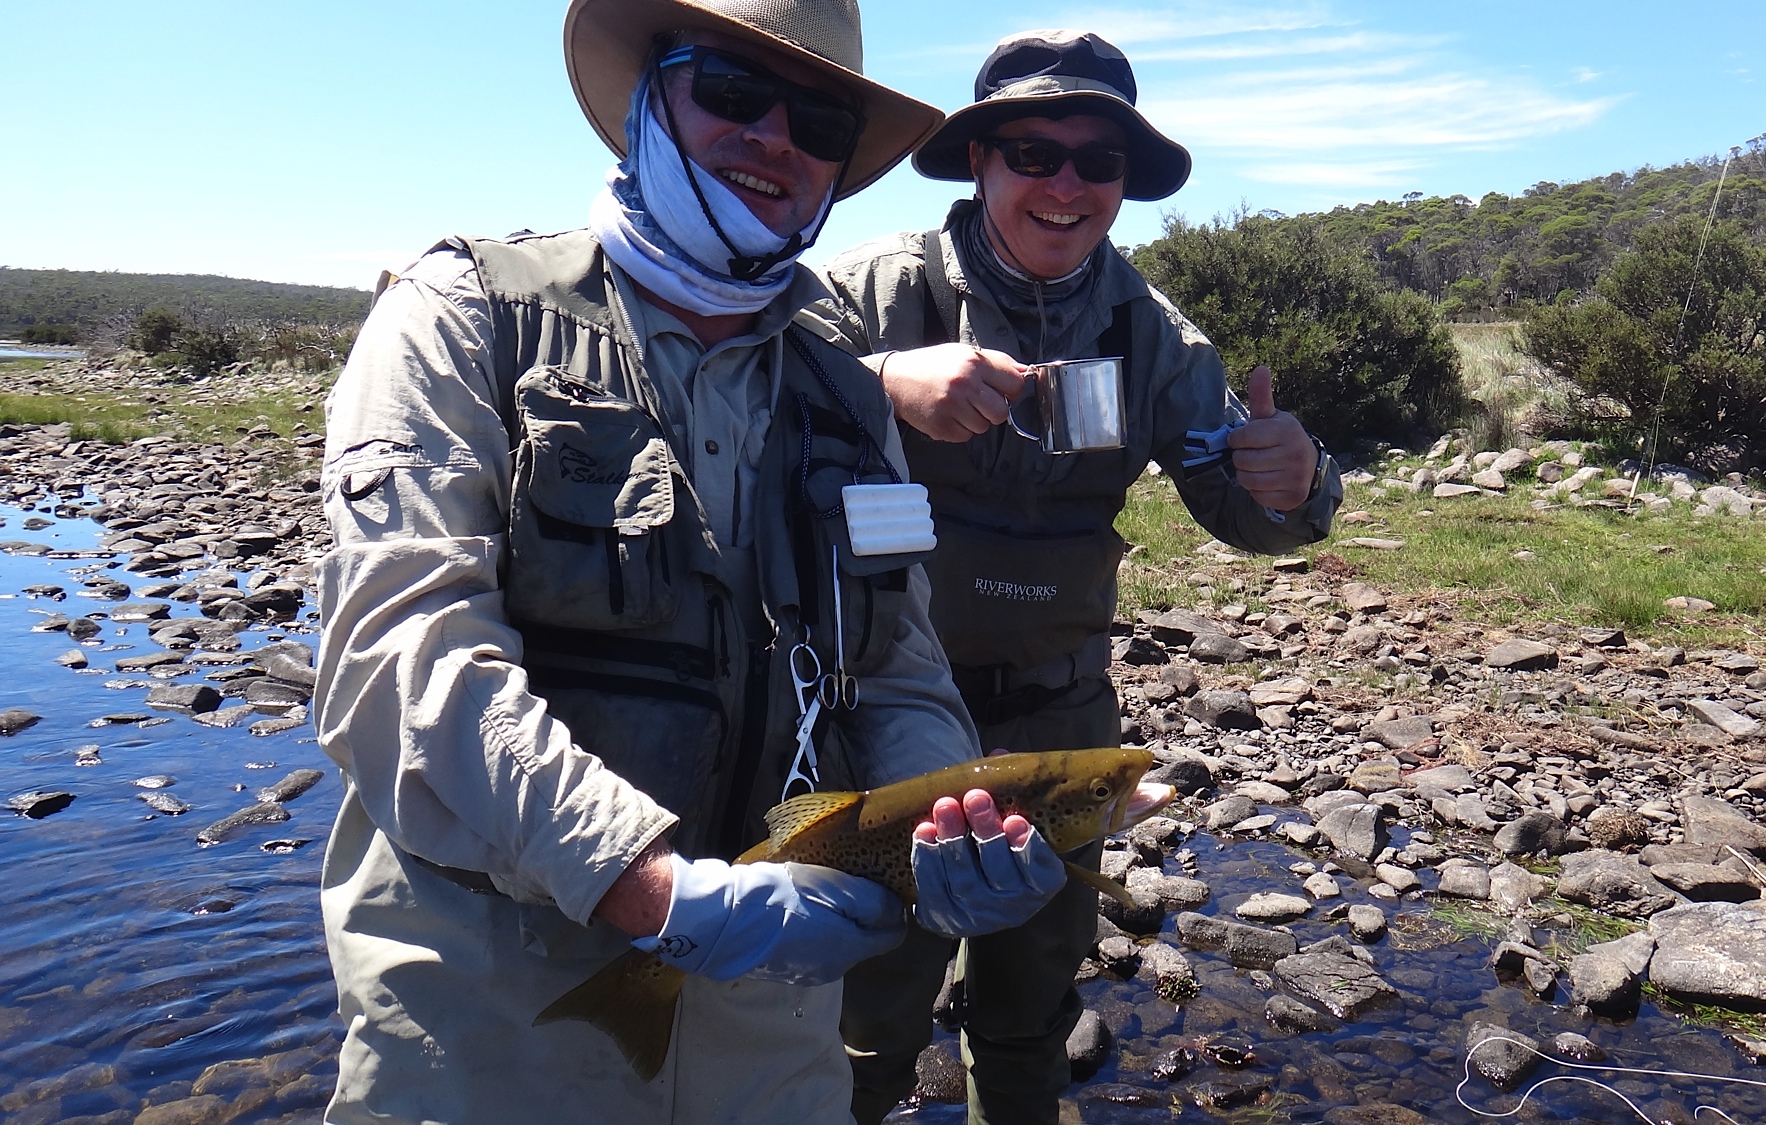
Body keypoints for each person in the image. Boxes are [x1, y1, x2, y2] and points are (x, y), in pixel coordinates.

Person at [311, 2, 1065, 1121]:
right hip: (488, 1021)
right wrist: (644, 886)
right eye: (728, 91)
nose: (773, 137)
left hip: (777, 1031)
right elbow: (402, 656)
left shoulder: (853, 398)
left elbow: (900, 667)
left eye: (816, 121)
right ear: (645, 100)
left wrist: (942, 829)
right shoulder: (460, 313)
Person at [805, 29, 1341, 1125]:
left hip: (1059, 718)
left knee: (1028, 1002)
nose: (1065, 184)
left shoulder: (1154, 338)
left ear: (1123, 186)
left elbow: (1246, 510)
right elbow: (727, 433)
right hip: (877, 713)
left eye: (1097, 163)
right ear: (979, 162)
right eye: (1032, 152)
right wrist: (876, 384)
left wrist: (1296, 481)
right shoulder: (863, 294)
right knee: (867, 1009)